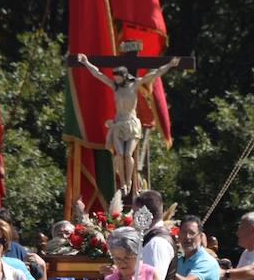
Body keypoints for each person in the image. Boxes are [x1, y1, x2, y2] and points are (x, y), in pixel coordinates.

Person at [74, 54, 181, 194]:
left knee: (127, 155)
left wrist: (170, 65)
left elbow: (154, 74)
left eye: (118, 77)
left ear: (124, 76)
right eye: (115, 77)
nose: (116, 79)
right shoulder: (114, 86)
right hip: (118, 124)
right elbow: (98, 74)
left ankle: (128, 181)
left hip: (131, 125)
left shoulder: (135, 84)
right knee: (119, 155)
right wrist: (86, 62)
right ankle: (123, 183)